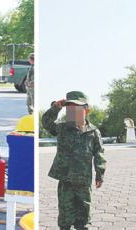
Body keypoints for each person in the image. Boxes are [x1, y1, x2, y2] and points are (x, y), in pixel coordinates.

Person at [42, 91, 106, 230]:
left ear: (86, 110)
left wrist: (100, 173)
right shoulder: (62, 128)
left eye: (77, 109)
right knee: (65, 218)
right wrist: (56, 107)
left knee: (84, 217)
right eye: (69, 108)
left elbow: (99, 153)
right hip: (66, 180)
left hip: (83, 181)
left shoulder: (93, 132)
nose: (73, 112)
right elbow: (46, 122)